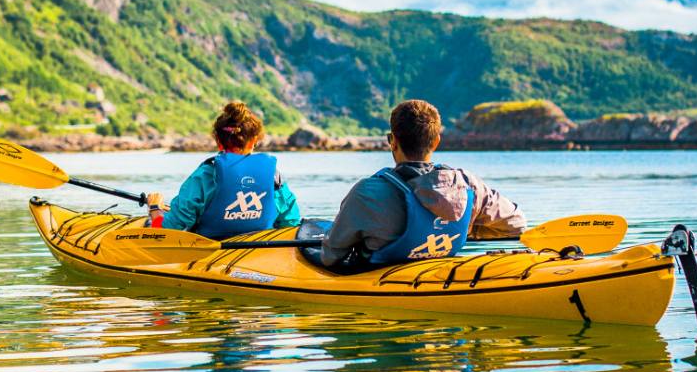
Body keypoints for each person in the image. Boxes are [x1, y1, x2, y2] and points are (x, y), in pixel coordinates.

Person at [320, 99, 526, 269]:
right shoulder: (467, 185)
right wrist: (465, 228)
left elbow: (330, 256)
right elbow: (516, 225)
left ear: (392, 141)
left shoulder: (367, 193)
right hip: (440, 272)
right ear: (436, 141)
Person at [147, 101, 301, 238]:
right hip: (256, 252)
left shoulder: (206, 175)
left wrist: (155, 208)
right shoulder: (273, 177)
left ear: (218, 142)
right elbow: (291, 222)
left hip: (212, 249)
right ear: (254, 141)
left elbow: (168, 230)